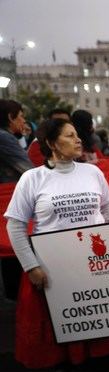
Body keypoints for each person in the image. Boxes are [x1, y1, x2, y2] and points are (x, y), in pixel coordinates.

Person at [4, 118, 109, 372]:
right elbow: (14, 225)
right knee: (59, 322)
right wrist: (31, 265)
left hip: (94, 262)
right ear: (51, 144)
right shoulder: (33, 179)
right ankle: (63, 371)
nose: (79, 140)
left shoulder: (92, 172)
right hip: (54, 267)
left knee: (104, 316)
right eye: (70, 136)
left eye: (78, 135)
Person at [0, 99, 34, 302]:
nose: (23, 120)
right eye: (20, 115)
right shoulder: (4, 138)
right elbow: (28, 171)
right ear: (10, 117)